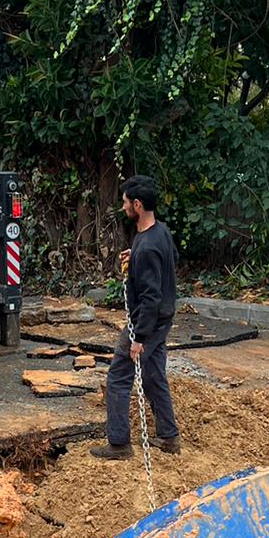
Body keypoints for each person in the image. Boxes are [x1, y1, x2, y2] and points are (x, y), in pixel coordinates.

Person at [90, 175, 181, 461]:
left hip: (146, 322)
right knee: (153, 375)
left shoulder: (149, 246)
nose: (123, 207)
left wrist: (138, 338)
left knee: (117, 377)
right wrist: (137, 253)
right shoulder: (159, 233)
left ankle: (118, 444)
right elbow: (171, 257)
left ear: (137, 205)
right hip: (162, 319)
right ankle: (169, 437)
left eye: (126, 202)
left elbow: (150, 298)